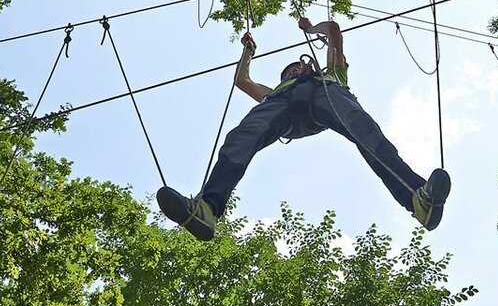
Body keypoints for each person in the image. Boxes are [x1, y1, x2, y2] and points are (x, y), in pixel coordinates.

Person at [156, 17, 451, 241]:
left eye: (296, 68)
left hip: (327, 96)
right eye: (289, 72)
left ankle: (417, 198)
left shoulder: (333, 73)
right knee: (241, 137)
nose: (295, 70)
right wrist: (248, 52)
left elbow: (334, 31)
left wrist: (311, 30)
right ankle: (208, 208)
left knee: (365, 132)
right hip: (283, 109)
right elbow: (243, 81)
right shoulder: (275, 92)